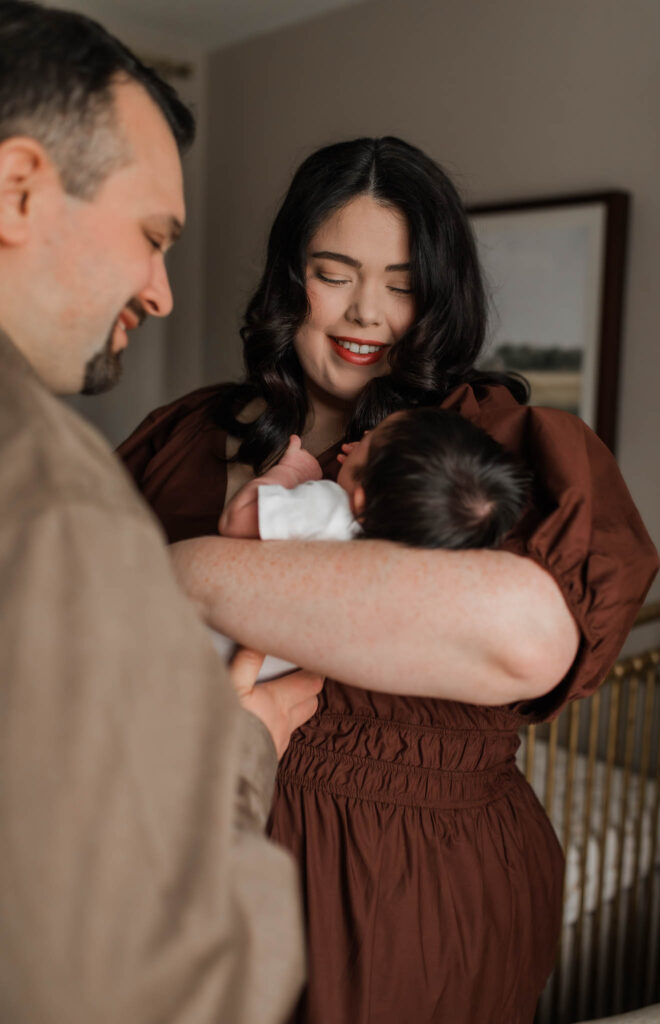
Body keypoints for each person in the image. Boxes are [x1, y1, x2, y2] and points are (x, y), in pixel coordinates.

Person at [118, 137, 659, 1023]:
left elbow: (528, 637)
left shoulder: (484, 447)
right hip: (185, 870)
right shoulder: (181, 437)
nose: (366, 312)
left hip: (411, 898)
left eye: (403, 284)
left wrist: (188, 571)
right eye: (334, 273)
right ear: (289, 277)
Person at [0, 4, 323, 1023]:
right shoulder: (50, 495)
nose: (161, 292)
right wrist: (234, 762)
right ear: (15, 189)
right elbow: (159, 988)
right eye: (152, 238)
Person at [210, 408, 530, 680]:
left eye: (371, 438)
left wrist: (292, 472)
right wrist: (365, 463)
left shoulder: (327, 507)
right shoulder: (397, 580)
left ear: (361, 499)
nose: (362, 433)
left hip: (205, 638)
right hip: (261, 672)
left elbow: (237, 520)